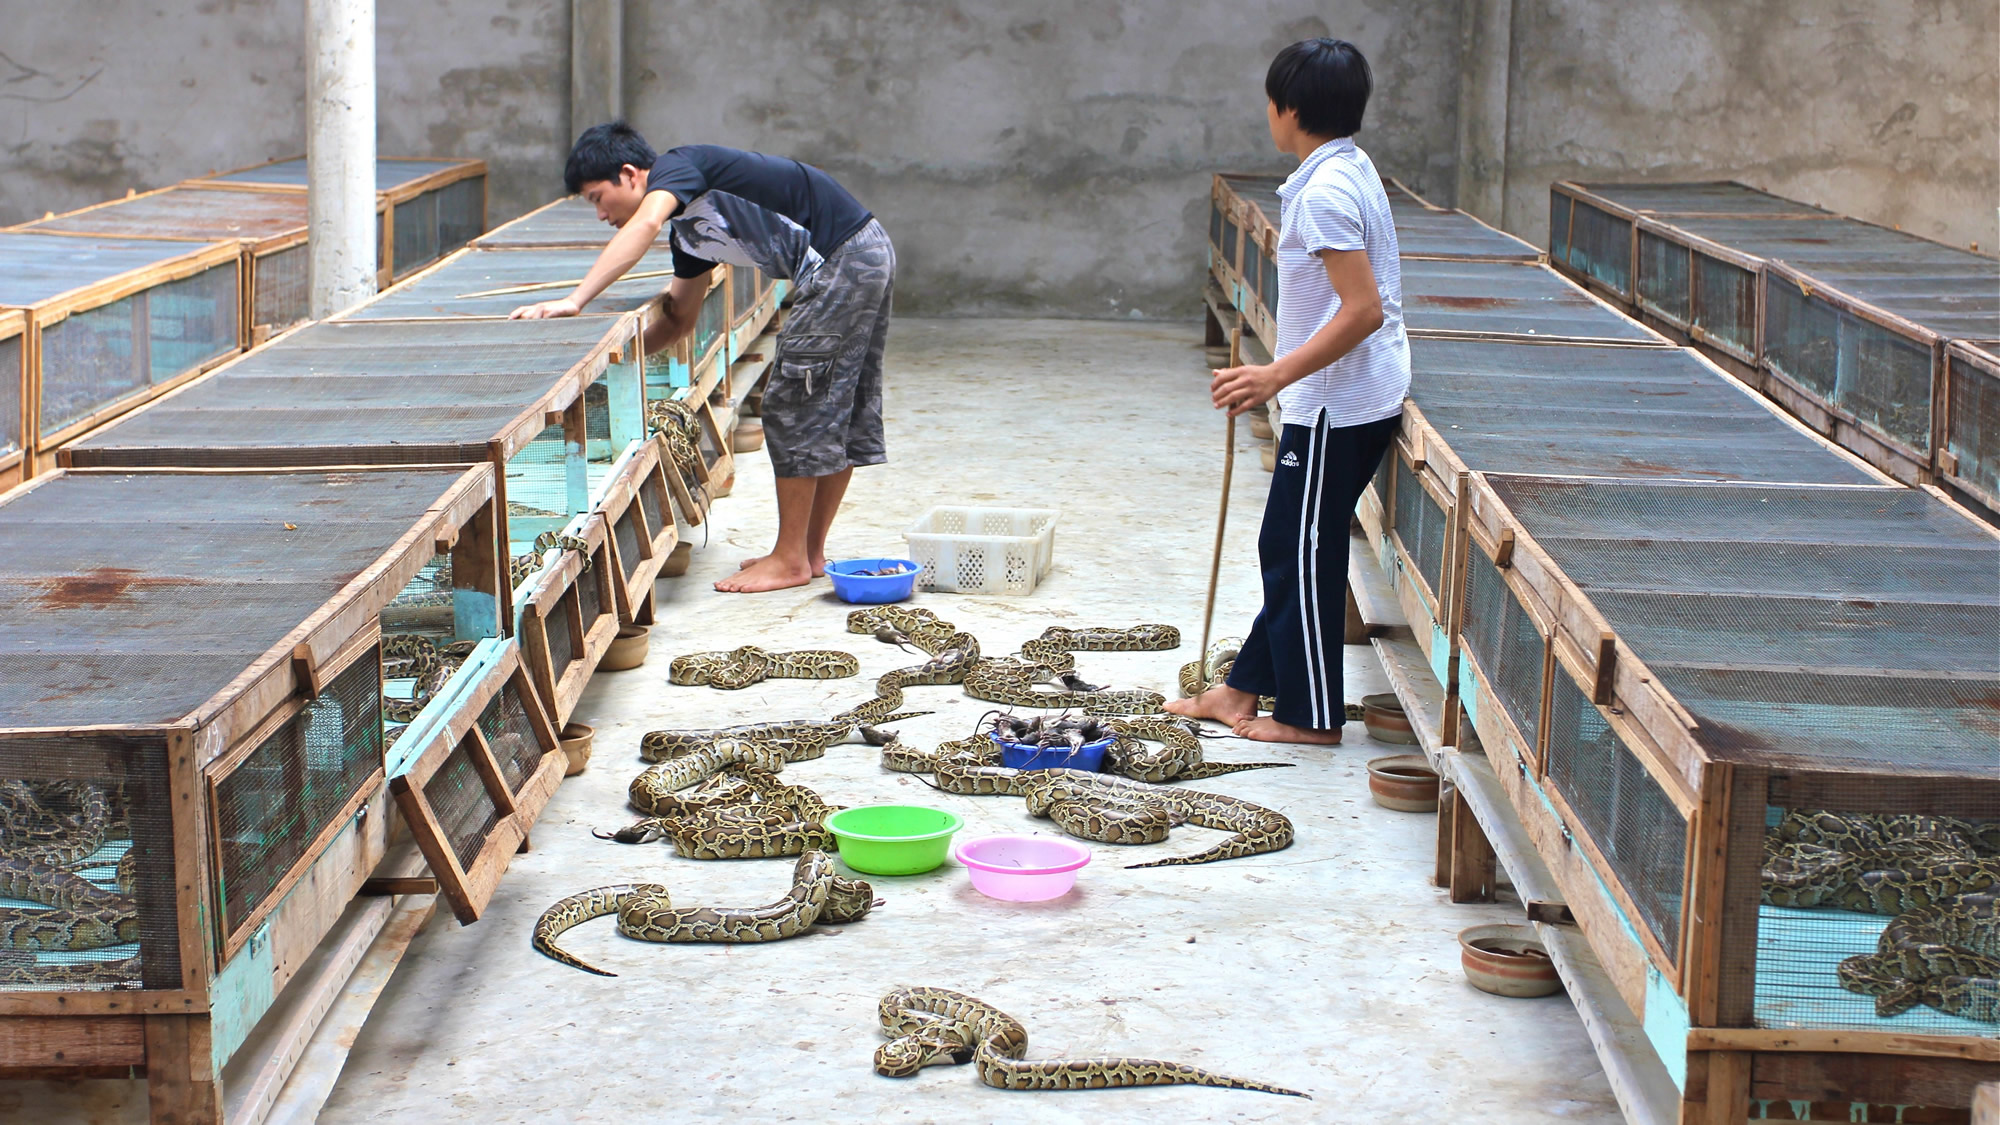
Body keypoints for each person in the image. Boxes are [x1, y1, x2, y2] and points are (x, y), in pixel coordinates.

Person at [512, 124, 894, 593]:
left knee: (793, 407)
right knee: (829, 406)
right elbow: (678, 321)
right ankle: (808, 554)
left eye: (598, 198)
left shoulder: (679, 165)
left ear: (630, 174)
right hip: (859, 255)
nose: (600, 215)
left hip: (843, 260)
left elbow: (645, 224)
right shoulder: (690, 237)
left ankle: (790, 558)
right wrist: (607, 360)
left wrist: (575, 300)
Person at [1167, 38, 1409, 745]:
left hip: (1337, 403)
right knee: (1293, 542)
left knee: (1298, 546)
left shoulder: (1326, 193)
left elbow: (1363, 309)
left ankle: (1310, 716)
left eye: (1271, 102)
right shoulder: (1346, 167)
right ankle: (1241, 687)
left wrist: (1274, 374)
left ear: (1291, 110)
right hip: (1346, 394)